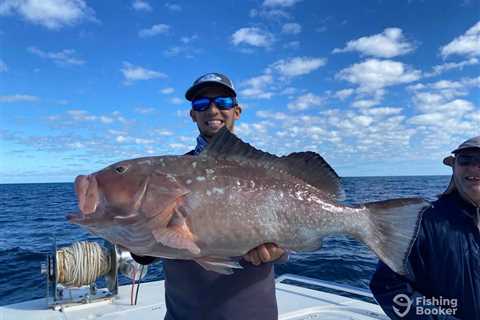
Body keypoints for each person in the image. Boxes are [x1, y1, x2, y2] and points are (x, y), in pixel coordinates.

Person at [132, 72, 287, 320]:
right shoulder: (168, 177)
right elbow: (146, 253)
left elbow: (291, 233)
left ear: (237, 111)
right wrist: (129, 231)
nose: (212, 110)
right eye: (201, 104)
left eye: (223, 102)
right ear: (192, 114)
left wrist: (280, 250)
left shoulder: (266, 173)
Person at [369, 136, 480, 319]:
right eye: (465, 160)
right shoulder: (420, 220)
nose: (474, 168)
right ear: (454, 168)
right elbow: (388, 287)